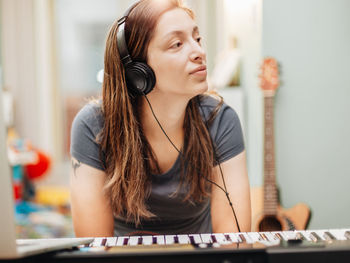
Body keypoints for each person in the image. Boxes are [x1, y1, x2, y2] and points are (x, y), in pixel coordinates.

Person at [70, 0, 251, 237]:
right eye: (177, 44)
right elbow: (95, 246)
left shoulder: (220, 120)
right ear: (138, 72)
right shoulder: (92, 126)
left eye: (197, 39)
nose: (199, 52)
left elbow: (234, 242)